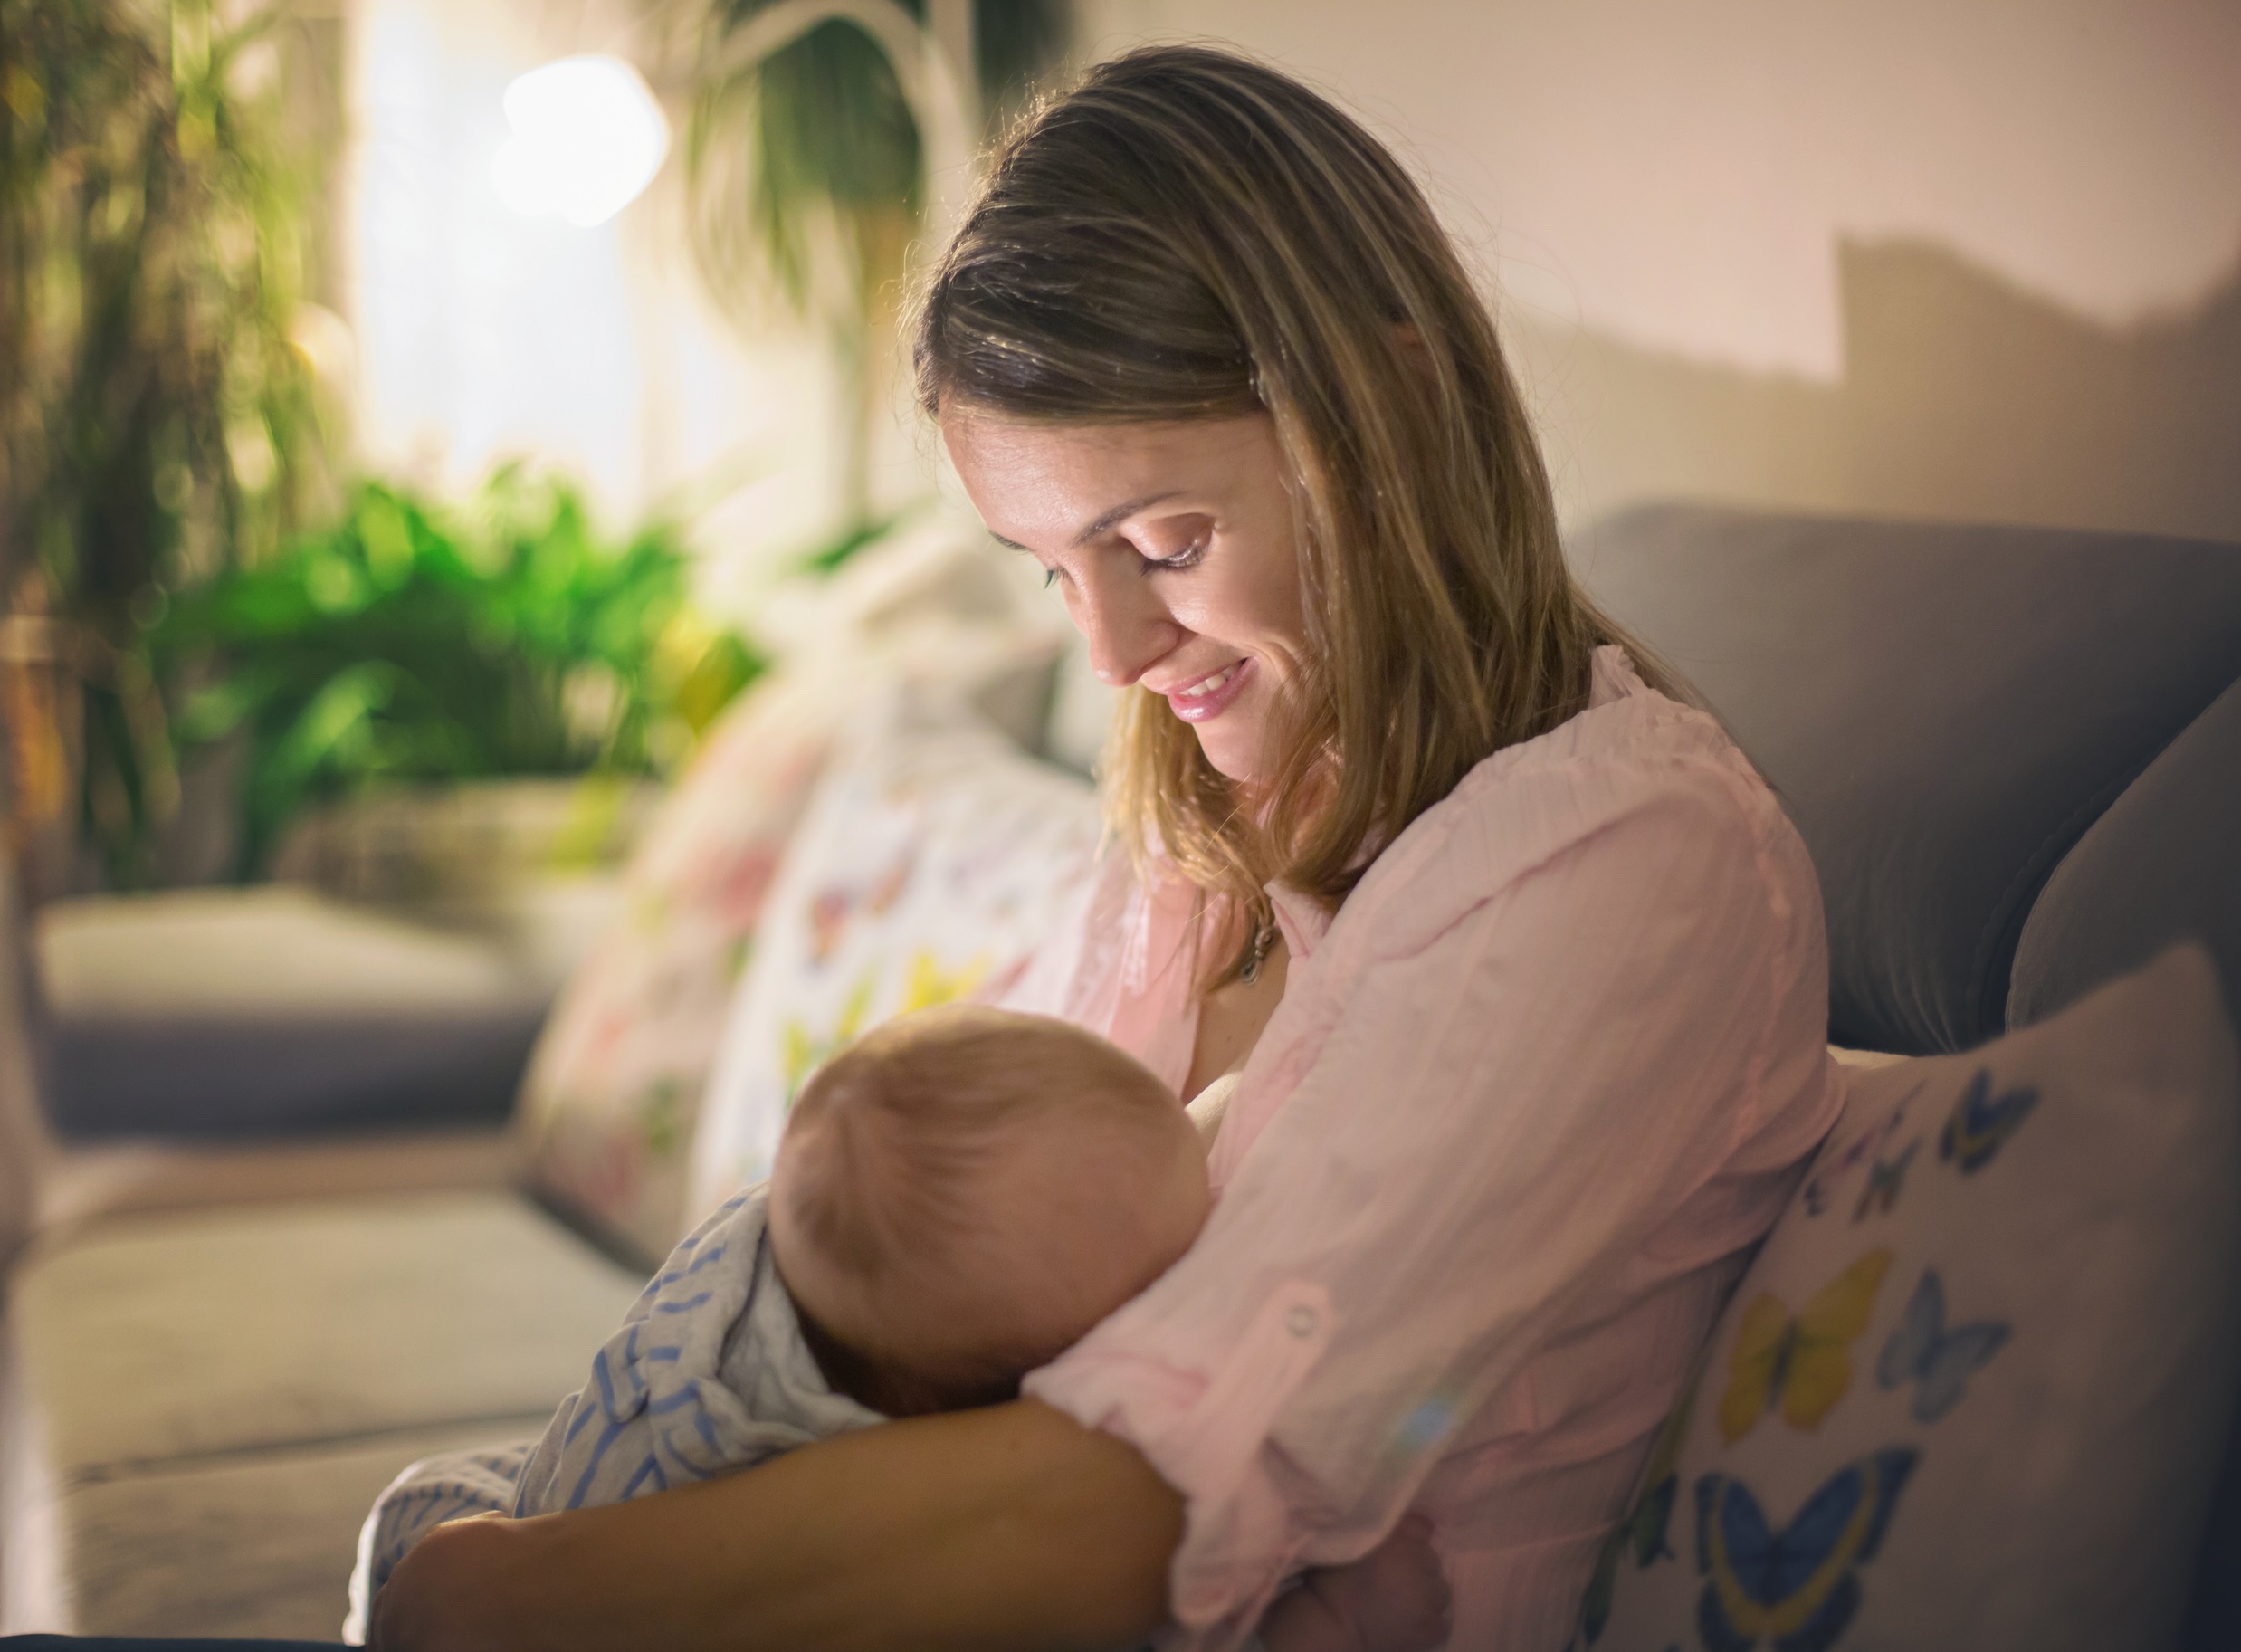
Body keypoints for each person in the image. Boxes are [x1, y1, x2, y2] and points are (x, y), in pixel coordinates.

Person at [371, 43, 1839, 1652]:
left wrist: (497, 1590)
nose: (1114, 654)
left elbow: (1149, 1486)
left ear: (1394, 406)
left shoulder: (1622, 867)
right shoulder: (1201, 826)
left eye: (1161, 543)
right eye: (1050, 571)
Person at [351, 1006, 1439, 1652]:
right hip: (590, 1537)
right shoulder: (834, 1468)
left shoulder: (844, 1248)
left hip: (521, 1503)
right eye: (1169, 1271)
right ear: (944, 1407)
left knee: (452, 1499)